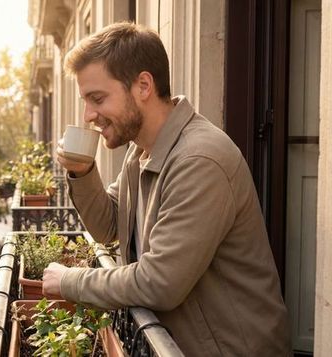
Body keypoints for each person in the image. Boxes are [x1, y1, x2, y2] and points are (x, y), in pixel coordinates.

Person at [41, 22, 290, 356]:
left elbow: (159, 283)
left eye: (97, 99)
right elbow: (108, 226)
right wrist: (82, 171)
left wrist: (69, 281)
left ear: (143, 85)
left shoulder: (199, 159)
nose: (88, 115)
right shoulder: (141, 149)